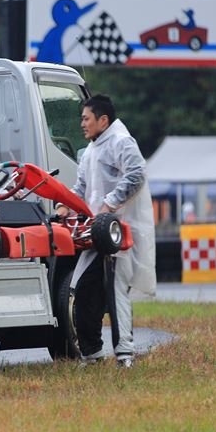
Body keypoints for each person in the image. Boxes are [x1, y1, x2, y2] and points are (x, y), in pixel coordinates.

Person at [56, 94, 155, 368]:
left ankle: (125, 355)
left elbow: (136, 174)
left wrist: (109, 205)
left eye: (86, 118)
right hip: (94, 232)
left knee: (115, 290)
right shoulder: (90, 151)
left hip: (117, 233)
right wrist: (65, 205)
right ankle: (91, 352)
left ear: (103, 120)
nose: (82, 124)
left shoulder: (121, 142)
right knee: (82, 289)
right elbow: (81, 187)